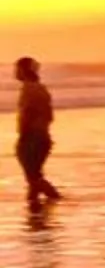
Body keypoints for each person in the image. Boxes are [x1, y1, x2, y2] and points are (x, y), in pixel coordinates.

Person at [15, 58, 61, 209]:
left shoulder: (28, 89)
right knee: (34, 176)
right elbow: (50, 116)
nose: (15, 72)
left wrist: (22, 135)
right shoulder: (41, 88)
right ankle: (33, 207)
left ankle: (56, 199)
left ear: (23, 70)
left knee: (33, 177)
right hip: (43, 136)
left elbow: (27, 114)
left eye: (17, 69)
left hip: (32, 137)